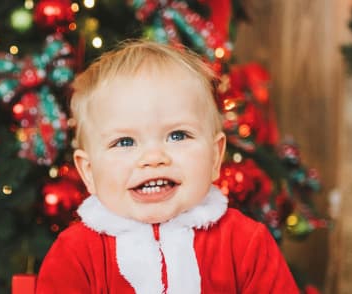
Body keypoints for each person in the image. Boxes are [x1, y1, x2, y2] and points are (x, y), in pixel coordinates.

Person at [35, 40, 298, 293]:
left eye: (178, 135)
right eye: (125, 141)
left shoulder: (245, 243)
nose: (154, 157)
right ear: (89, 172)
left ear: (215, 157)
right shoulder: (75, 254)